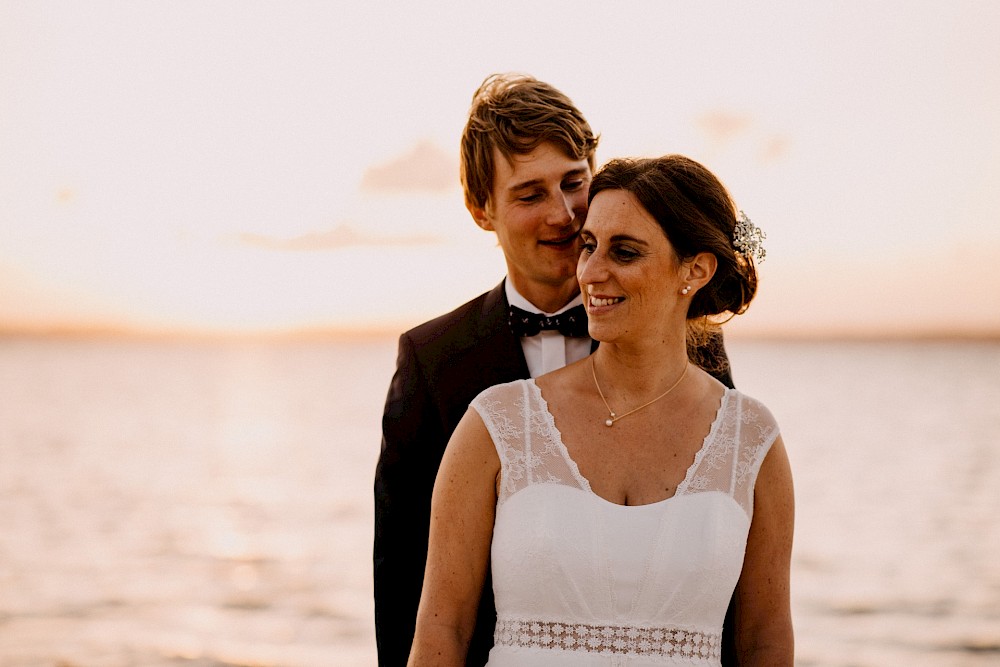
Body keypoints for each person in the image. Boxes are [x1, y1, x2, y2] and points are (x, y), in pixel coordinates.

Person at [373, 74, 735, 666]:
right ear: (479, 209)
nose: (564, 215)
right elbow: (403, 579)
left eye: (574, 182)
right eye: (529, 194)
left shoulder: (691, 343)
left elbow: (726, 535)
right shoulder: (432, 361)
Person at [407, 155, 794, 666]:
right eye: (589, 246)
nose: (590, 271)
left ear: (695, 270)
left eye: (625, 252)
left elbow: (764, 641)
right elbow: (443, 634)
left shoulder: (752, 439)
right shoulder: (497, 423)